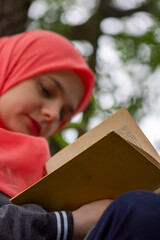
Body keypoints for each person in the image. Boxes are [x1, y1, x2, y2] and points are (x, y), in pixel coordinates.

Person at [0, 30, 160, 240]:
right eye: (46, 90)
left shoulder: (44, 170)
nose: (52, 114)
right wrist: (70, 223)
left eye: (65, 114)